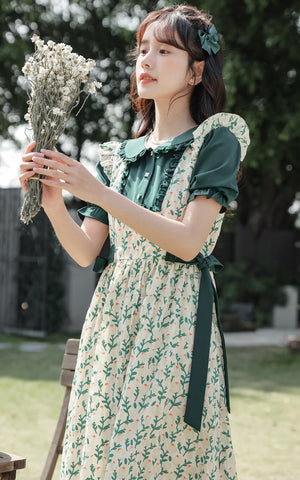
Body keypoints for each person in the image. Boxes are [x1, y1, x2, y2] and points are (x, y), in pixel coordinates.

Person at [20, 5, 249, 479]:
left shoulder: (216, 139)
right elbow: (88, 252)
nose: (145, 59)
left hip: (175, 325)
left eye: (164, 50)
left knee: (156, 459)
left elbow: (188, 243)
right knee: (103, 459)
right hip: (112, 320)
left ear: (196, 71)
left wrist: (99, 193)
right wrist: (54, 201)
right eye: (142, 48)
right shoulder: (116, 157)